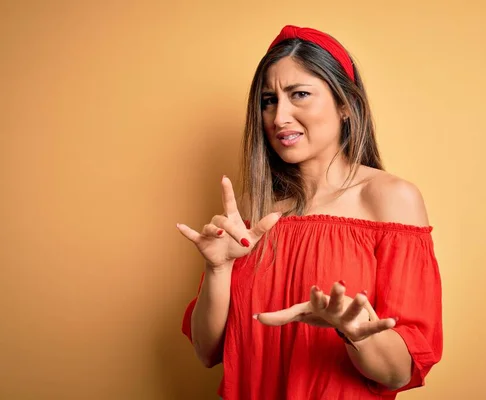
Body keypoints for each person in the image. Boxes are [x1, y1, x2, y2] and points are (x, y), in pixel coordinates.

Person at [176, 25, 443, 400]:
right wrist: (217, 269)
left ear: (346, 105)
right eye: (269, 100)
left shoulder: (391, 198)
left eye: (299, 94)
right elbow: (208, 352)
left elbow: (399, 372)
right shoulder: (256, 208)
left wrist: (351, 328)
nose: (279, 116)